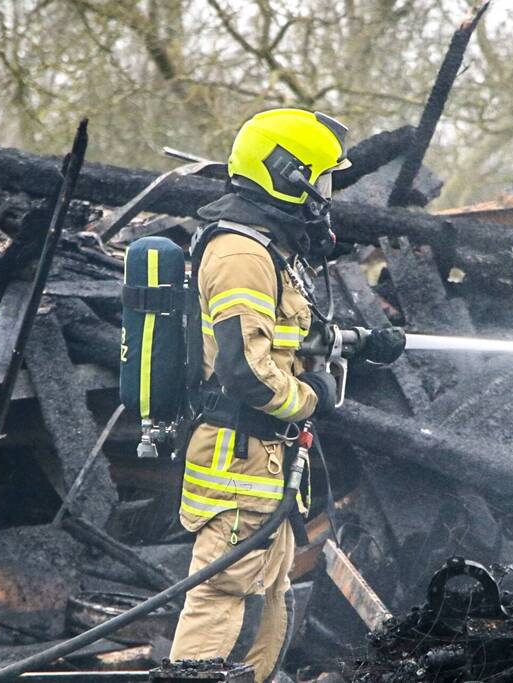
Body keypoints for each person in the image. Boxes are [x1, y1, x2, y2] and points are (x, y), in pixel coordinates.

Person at [169, 109, 403, 682]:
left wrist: (360, 342)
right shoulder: (241, 255)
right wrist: (313, 398)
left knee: (270, 592)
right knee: (223, 589)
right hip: (236, 457)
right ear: (286, 176)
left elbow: (287, 334)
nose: (325, 197)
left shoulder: (266, 248)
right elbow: (245, 372)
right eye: (320, 181)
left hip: (264, 459)